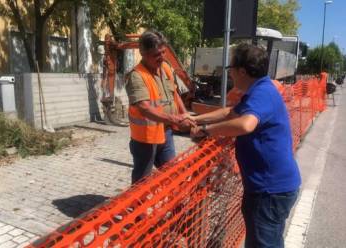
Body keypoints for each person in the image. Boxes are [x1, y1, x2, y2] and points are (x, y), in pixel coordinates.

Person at [190, 43, 301, 247]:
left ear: (242, 71)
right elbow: (229, 113)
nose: (230, 74)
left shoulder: (262, 93)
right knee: (270, 240)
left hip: (269, 191)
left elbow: (245, 123)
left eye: (231, 69)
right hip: (273, 187)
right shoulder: (260, 89)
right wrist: (195, 120)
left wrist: (207, 131)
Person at [125, 30, 194, 184]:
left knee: (172, 174)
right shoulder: (136, 76)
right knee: (142, 182)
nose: (162, 57)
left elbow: (175, 94)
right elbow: (145, 108)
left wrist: (185, 114)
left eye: (163, 52)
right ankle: (136, 207)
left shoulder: (166, 67)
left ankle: (175, 206)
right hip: (145, 140)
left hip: (166, 133)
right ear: (143, 53)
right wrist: (176, 119)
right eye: (157, 54)